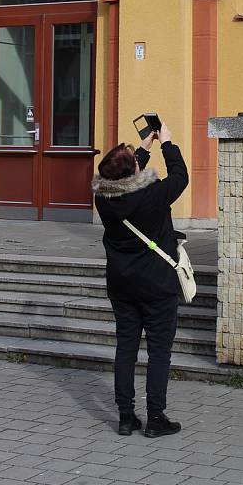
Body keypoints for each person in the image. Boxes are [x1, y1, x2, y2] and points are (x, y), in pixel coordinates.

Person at [92, 123, 188, 438]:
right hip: (157, 286)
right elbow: (180, 177)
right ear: (133, 171)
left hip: (121, 285)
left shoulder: (104, 200)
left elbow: (125, 181)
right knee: (159, 351)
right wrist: (168, 144)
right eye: (134, 158)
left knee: (126, 349)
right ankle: (156, 418)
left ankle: (125, 417)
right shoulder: (153, 195)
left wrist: (142, 149)